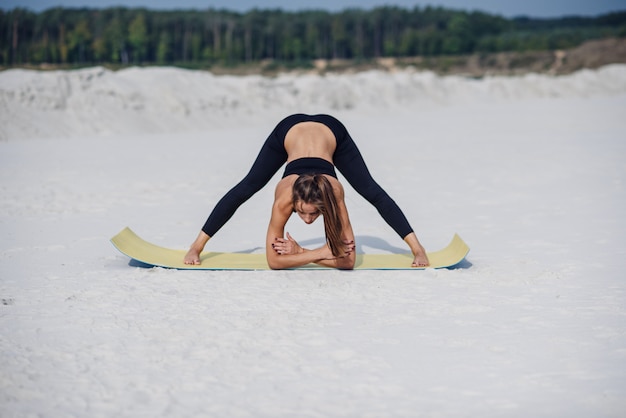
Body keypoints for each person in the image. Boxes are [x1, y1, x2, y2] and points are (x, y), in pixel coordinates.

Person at [184, 114, 429, 269]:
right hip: (289, 131)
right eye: (303, 213)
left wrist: (302, 252)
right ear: (294, 202)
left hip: (332, 132)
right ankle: (197, 245)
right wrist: (324, 252)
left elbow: (349, 261)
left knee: (370, 190)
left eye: (314, 214)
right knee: (247, 186)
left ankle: (417, 246)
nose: (309, 220)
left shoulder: (334, 194)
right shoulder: (284, 199)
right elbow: (274, 261)